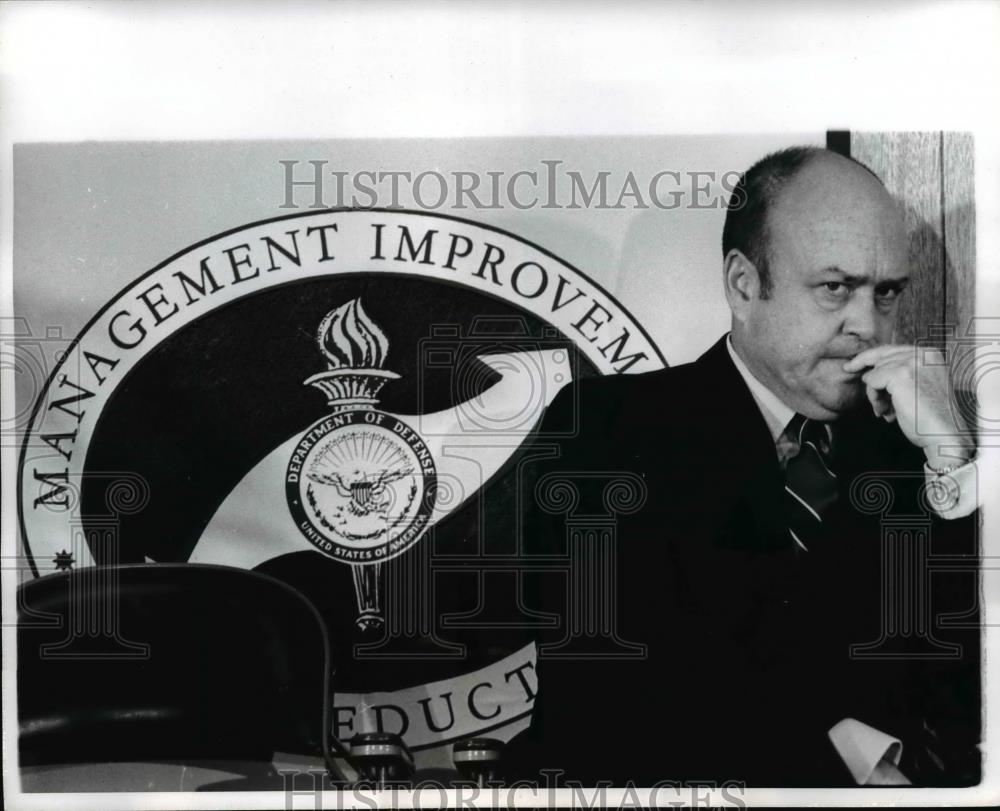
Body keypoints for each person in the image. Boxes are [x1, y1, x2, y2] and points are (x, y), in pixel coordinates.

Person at [507, 146, 980, 787]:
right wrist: (860, 765)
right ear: (743, 284)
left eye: (887, 292)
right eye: (834, 287)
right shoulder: (606, 429)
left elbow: (964, 689)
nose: (868, 325)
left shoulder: (918, 456)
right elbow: (633, 684)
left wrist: (951, 460)